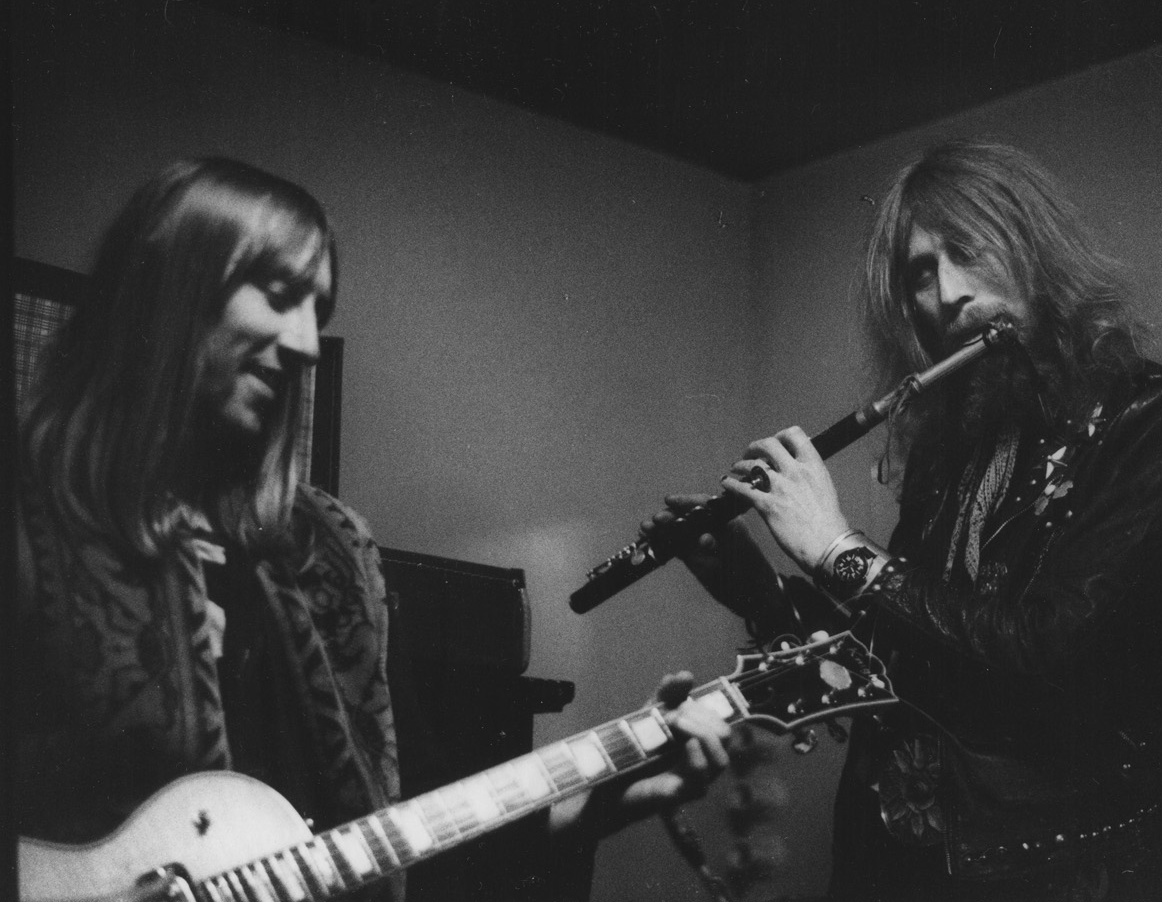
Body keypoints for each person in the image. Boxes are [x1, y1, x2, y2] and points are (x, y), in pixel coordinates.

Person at [14, 157, 729, 901]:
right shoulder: (32, 513)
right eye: (280, 296)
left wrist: (611, 800)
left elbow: (415, 839)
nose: (304, 345)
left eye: (316, 315)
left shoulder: (327, 559)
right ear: (168, 293)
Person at [646, 140, 1162, 901]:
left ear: (1034, 250)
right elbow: (907, 656)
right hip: (919, 865)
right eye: (919, 275)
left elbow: (1048, 653)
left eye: (966, 252)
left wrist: (837, 548)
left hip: (1087, 871)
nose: (947, 294)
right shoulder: (959, 455)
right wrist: (760, 589)